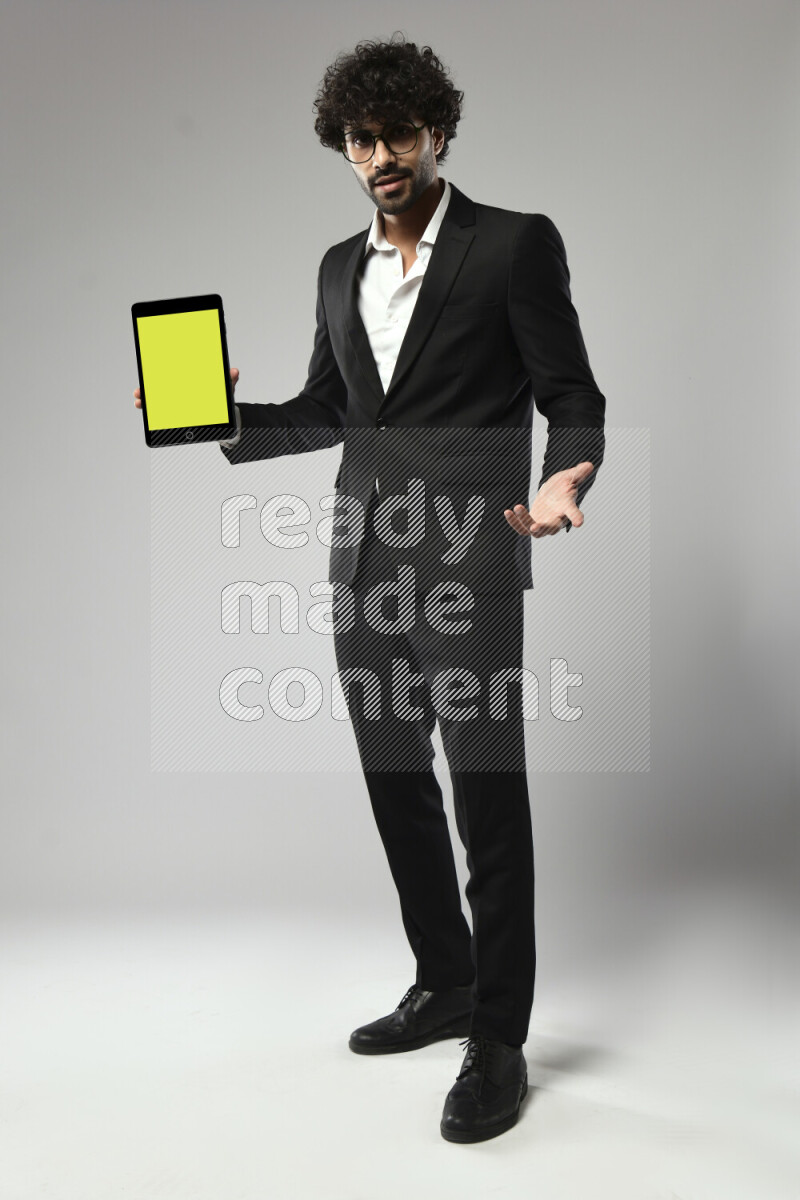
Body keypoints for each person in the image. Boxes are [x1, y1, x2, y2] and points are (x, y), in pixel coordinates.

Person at [133, 33, 605, 1143]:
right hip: (363, 563)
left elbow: (572, 394)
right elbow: (329, 413)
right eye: (360, 139)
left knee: (485, 794)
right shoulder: (335, 266)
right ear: (341, 147)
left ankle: (499, 1035)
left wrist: (567, 475)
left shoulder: (513, 245)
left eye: (398, 134)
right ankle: (444, 982)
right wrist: (218, 418)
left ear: (437, 132)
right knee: (397, 779)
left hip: (471, 557)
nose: (380, 155)